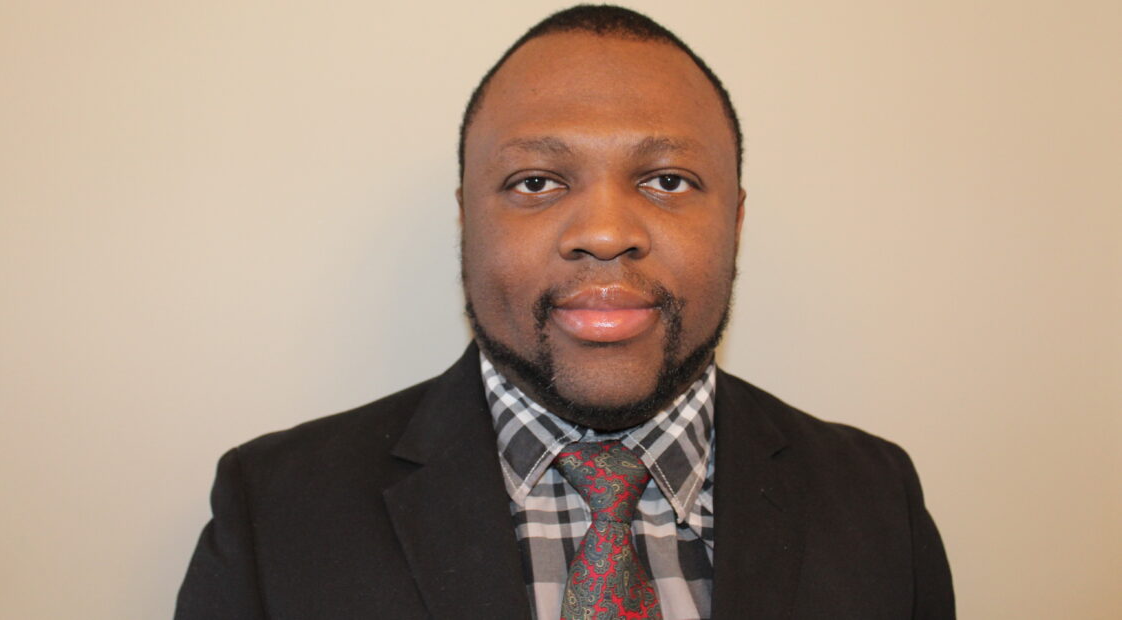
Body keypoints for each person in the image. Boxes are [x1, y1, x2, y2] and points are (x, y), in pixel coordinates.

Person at [175, 5, 954, 619]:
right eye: (538, 183)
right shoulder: (274, 512)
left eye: (669, 180)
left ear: (738, 221)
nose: (606, 234)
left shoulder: (877, 501)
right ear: (466, 221)